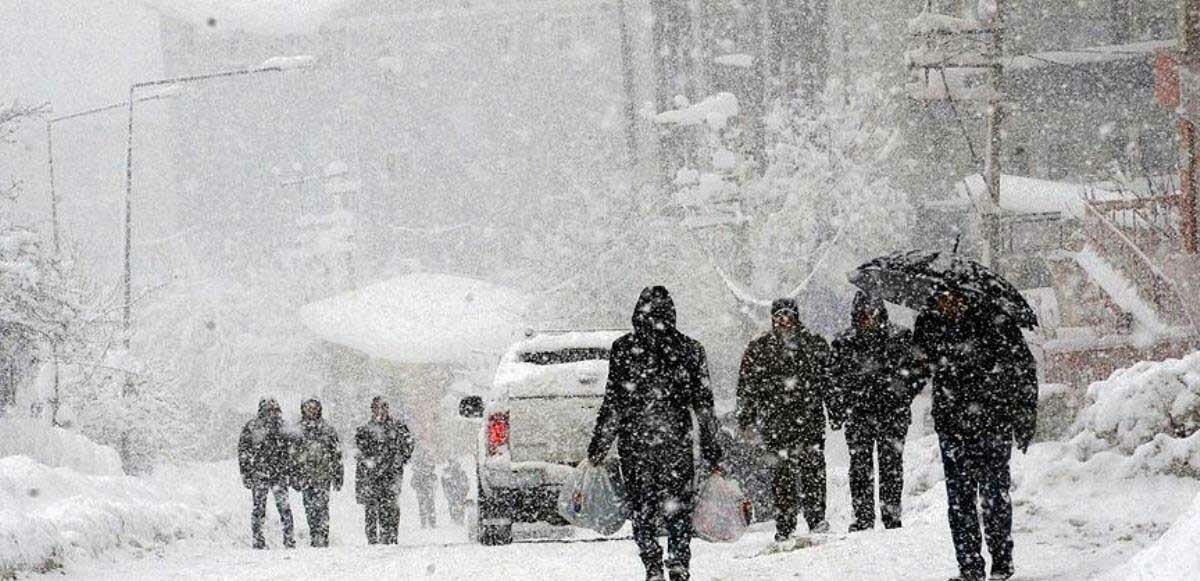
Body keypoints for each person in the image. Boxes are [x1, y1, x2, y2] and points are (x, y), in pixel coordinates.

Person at [588, 286, 722, 581]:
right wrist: (712, 449)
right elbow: (703, 406)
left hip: (636, 443)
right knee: (678, 506)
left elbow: (614, 403)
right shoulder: (690, 349)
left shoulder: (624, 349)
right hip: (676, 440)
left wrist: (600, 444)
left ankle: (651, 564)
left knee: (642, 506)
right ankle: (678, 560)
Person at [913, 289, 1038, 581]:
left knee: (994, 494)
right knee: (960, 500)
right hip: (952, 425)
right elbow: (918, 369)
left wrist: (1024, 415)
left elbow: (1022, 367)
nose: (948, 303)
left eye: (953, 297)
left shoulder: (995, 321)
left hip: (992, 423)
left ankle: (1002, 561)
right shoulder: (931, 324)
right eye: (942, 298)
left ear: (966, 296)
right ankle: (969, 566)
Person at [736, 297, 833, 542]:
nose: (784, 321)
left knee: (813, 471)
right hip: (776, 422)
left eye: (789, 315)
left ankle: (816, 518)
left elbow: (830, 381)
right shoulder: (760, 347)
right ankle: (785, 524)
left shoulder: (814, 344)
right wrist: (746, 419)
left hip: (809, 419)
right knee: (782, 476)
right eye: (779, 315)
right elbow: (747, 386)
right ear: (773, 318)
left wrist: (836, 410)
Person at [830, 292, 923, 532]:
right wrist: (841, 406)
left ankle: (891, 516)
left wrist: (902, 397)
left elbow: (917, 372)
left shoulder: (900, 338)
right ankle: (863, 517)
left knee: (891, 466)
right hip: (859, 414)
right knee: (860, 467)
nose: (868, 319)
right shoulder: (844, 343)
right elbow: (832, 379)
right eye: (863, 314)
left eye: (872, 313)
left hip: (891, 414)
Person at [237, 397, 295, 549]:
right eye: (270, 409)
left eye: (274, 409)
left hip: (278, 474)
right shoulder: (253, 427)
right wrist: (246, 473)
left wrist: (290, 469)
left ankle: (289, 539)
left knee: (284, 508)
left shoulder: (282, 427)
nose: (273, 412)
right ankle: (258, 540)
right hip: (260, 473)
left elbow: (292, 451)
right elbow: (244, 451)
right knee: (259, 508)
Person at [355, 396, 414, 545]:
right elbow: (361, 452)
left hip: (391, 474)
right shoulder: (365, 430)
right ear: (372, 410)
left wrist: (400, 458)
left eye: (383, 408)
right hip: (371, 475)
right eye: (377, 408)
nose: (380, 412)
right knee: (371, 508)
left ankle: (390, 536)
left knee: (390, 506)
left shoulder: (398, 428)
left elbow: (408, 444)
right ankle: (373, 539)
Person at [293, 398, 343, 547]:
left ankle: (322, 536)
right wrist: (294, 475)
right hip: (305, 476)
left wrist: (338, 475)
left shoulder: (327, 429)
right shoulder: (298, 430)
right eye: (309, 408)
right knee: (309, 507)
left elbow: (336, 454)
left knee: (322, 507)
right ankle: (314, 533)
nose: (312, 410)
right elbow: (292, 455)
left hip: (323, 476)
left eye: (314, 408)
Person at [410, 448, 438, 529]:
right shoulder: (421, 471)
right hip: (424, 489)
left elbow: (413, 482)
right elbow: (413, 482)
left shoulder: (423, 469)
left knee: (427, 505)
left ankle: (428, 522)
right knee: (427, 506)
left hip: (425, 489)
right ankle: (428, 522)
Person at [441, 459, 469, 526]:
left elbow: (465, 482)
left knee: (456, 504)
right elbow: (444, 482)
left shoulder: (457, 472)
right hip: (454, 491)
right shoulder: (449, 472)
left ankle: (457, 519)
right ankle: (457, 519)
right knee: (455, 504)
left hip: (457, 491)